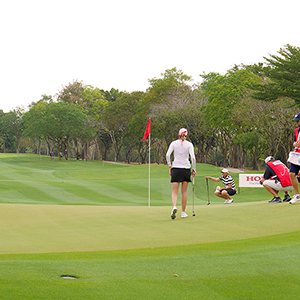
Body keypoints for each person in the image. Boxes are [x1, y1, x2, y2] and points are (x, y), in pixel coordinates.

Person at [166, 128, 196, 219]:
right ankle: (183, 212)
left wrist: (169, 166)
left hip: (176, 168)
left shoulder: (173, 143)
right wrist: (194, 169)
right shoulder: (189, 144)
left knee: (174, 192)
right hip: (186, 169)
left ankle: (174, 206)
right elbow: (193, 158)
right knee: (184, 192)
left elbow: (168, 155)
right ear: (186, 135)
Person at [289, 112, 300, 204]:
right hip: (296, 155)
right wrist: (295, 144)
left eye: (298, 121)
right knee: (292, 174)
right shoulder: (296, 130)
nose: (296, 123)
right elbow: (294, 141)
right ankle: (297, 195)